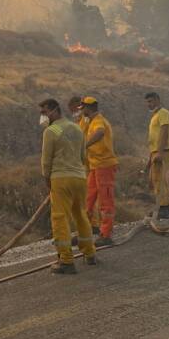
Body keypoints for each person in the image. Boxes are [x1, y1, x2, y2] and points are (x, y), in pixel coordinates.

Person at [39, 98, 96, 274]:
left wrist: (47, 179)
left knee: (59, 217)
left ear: (53, 111)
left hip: (60, 178)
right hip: (79, 177)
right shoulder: (77, 128)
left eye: (44, 112)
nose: (42, 117)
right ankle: (90, 254)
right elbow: (82, 156)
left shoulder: (51, 131)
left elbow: (46, 161)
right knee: (80, 214)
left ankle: (66, 260)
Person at [80, 97, 118, 247]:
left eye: (83, 108)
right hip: (95, 166)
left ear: (88, 108)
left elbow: (100, 132)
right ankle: (86, 231)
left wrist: (85, 145)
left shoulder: (98, 121)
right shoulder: (90, 122)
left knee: (105, 200)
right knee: (89, 198)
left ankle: (105, 234)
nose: (81, 111)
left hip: (104, 165)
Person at [70, 95, 102, 236]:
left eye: (76, 109)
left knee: (88, 194)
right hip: (84, 160)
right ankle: (91, 223)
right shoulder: (80, 121)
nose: (76, 112)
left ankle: (92, 224)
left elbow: (89, 137)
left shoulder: (88, 121)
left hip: (88, 161)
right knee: (88, 194)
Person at [144, 91, 169, 219]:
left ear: (158, 99)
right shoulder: (156, 115)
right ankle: (168, 207)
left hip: (162, 151)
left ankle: (162, 208)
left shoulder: (163, 114)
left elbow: (164, 132)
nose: (149, 104)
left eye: (151, 101)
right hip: (157, 151)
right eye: (147, 102)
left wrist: (160, 152)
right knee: (162, 179)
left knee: (158, 179)